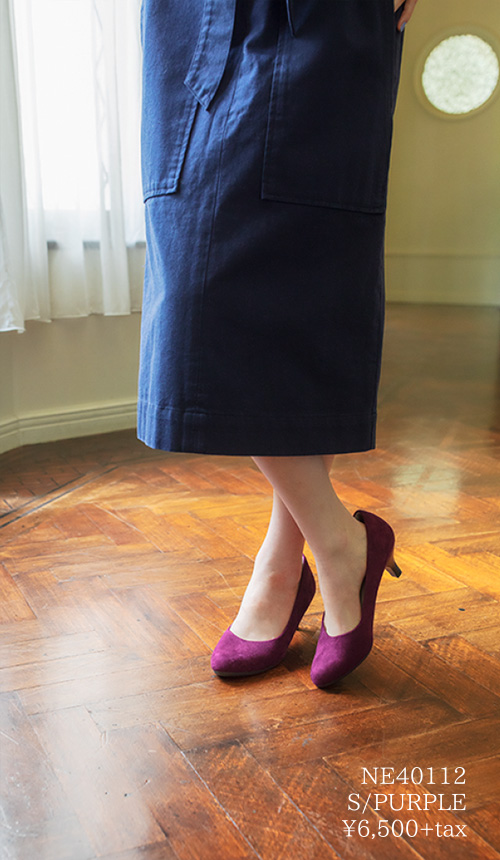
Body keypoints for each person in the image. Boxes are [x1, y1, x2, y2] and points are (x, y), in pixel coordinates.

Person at [138, 0, 419, 687]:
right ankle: (338, 543)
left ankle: (279, 568)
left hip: (332, 21)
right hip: (188, 20)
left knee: (308, 286)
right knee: (199, 291)